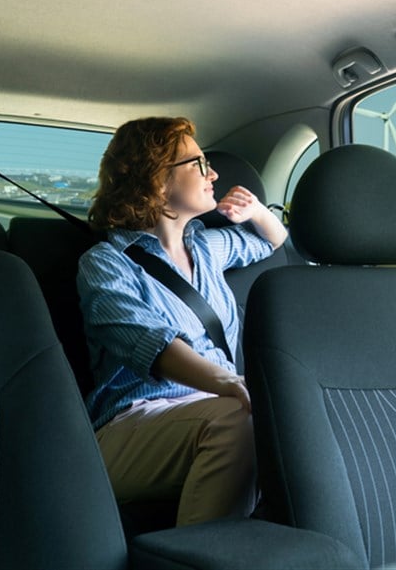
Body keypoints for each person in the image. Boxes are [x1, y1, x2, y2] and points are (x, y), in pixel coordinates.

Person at [77, 116, 287, 526]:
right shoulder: (105, 264)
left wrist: (257, 211)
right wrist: (233, 383)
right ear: (157, 180)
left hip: (214, 408)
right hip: (134, 421)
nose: (214, 173)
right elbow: (150, 343)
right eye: (198, 163)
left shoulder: (208, 249)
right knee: (241, 418)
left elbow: (272, 240)